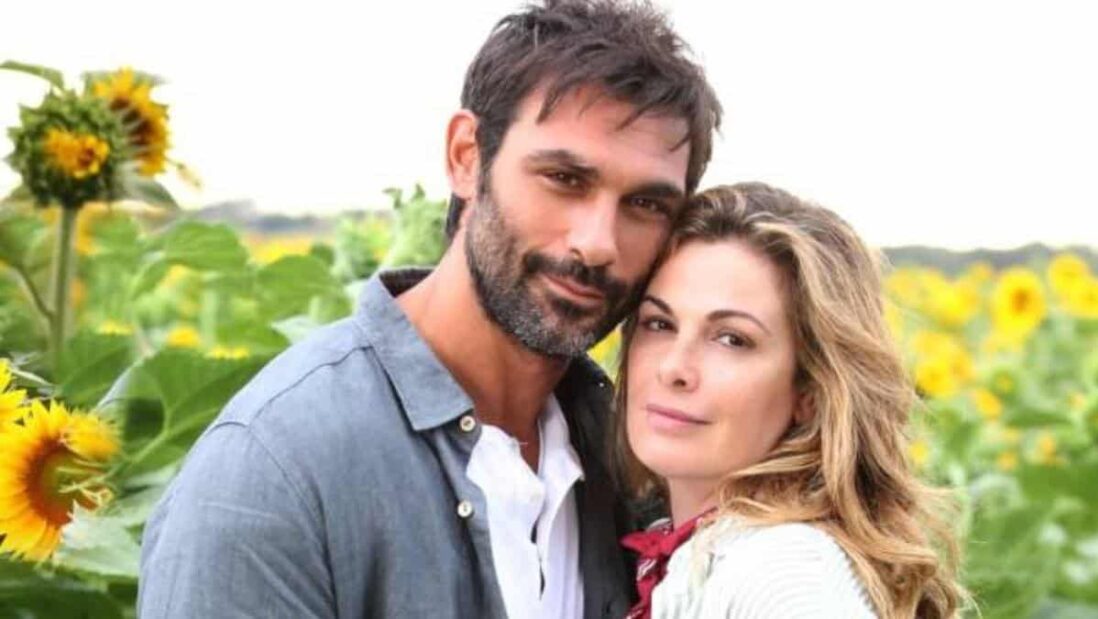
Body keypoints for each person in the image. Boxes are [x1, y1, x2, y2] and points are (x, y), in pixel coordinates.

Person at [137, 1, 721, 617]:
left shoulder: (636, 463)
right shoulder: (273, 471)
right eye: (564, 179)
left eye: (646, 205)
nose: (598, 243)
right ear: (467, 157)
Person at [613, 182, 964, 618]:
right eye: (659, 323)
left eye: (732, 339)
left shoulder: (783, 570)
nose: (673, 368)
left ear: (811, 391)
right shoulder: (699, 552)